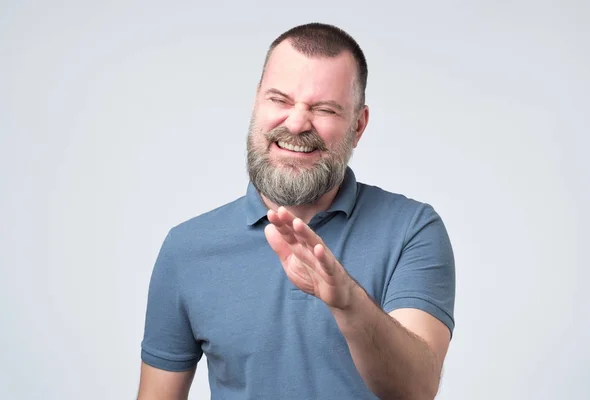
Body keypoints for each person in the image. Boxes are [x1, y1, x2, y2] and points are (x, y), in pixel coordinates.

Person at [137, 22, 455, 400]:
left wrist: (348, 302)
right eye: (280, 100)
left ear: (359, 125)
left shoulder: (413, 230)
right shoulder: (186, 248)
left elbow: (417, 390)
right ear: (257, 103)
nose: (297, 122)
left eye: (324, 109)